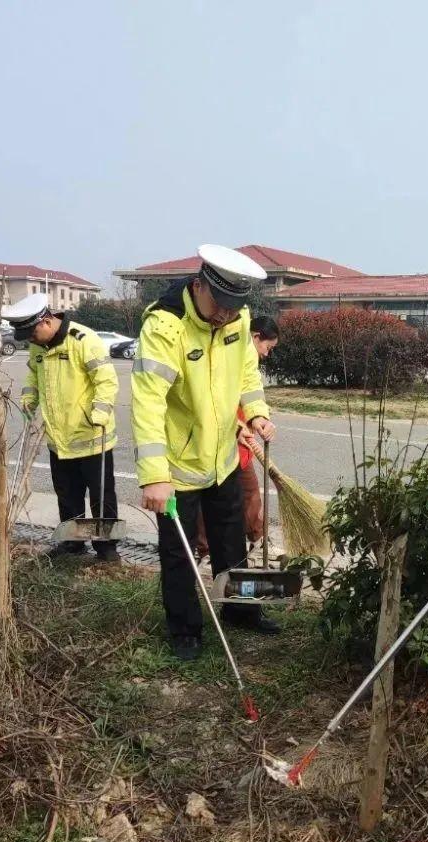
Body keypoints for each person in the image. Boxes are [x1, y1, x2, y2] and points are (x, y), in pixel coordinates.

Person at [132, 245, 278, 662]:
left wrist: (256, 414)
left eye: (235, 308)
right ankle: (185, 629)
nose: (226, 316)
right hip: (178, 467)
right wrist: (154, 474)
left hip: (223, 460)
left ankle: (241, 611)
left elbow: (247, 373)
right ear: (199, 286)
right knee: (179, 552)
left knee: (231, 542)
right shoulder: (165, 326)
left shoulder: (238, 318)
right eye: (220, 305)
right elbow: (148, 404)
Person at [7, 293, 121, 563]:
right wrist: (28, 398)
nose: (31, 340)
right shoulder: (38, 347)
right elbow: (34, 375)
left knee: (101, 495)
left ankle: (106, 548)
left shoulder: (83, 340)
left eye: (32, 333)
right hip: (58, 437)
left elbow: (106, 380)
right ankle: (73, 543)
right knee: (67, 494)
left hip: (92, 435)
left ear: (46, 321)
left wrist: (100, 411)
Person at [193, 314, 281, 557]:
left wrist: (258, 418)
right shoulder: (232, 356)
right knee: (215, 496)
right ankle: (208, 549)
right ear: (255, 337)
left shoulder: (247, 362)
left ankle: (254, 538)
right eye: (267, 347)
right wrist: (236, 426)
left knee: (249, 491)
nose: (267, 353)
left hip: (241, 440)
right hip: (219, 441)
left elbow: (250, 392)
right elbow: (214, 399)